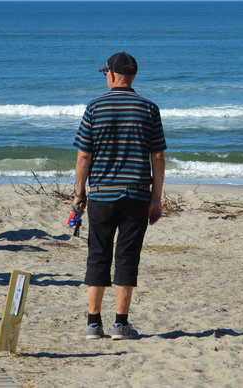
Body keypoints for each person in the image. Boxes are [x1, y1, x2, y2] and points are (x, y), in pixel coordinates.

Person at [72, 52, 166, 341]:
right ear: (132, 76)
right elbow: (158, 156)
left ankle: (92, 324)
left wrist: (79, 194)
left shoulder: (95, 107)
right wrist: (156, 198)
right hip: (137, 194)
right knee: (127, 257)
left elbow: (84, 155)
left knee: (98, 254)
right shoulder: (149, 108)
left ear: (111, 75)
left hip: (102, 194)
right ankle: (120, 325)